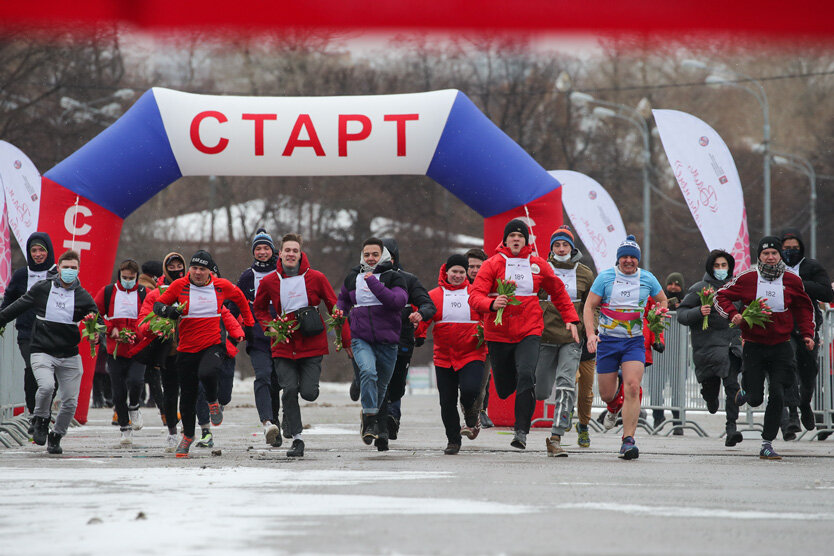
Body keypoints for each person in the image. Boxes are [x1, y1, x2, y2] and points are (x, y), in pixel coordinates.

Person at [469, 219, 579, 450]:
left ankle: (521, 432)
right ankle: (515, 383)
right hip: (498, 334)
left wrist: (570, 318)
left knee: (527, 375)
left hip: (529, 330)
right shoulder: (492, 264)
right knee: (504, 387)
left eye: (521, 236)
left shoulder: (538, 264)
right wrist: (491, 303)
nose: (516, 239)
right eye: (512, 236)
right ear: (506, 240)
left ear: (526, 240)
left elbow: (558, 291)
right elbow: (475, 296)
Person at [715, 236, 815, 460]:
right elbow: (720, 296)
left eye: (774, 253)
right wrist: (734, 314)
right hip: (754, 345)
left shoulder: (792, 280)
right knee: (755, 398)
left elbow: (803, 308)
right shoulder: (748, 277)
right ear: (759, 257)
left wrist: (808, 334)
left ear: (780, 256)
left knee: (778, 393)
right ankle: (746, 389)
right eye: (765, 254)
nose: (770, 257)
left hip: (781, 345)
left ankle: (767, 444)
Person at [254, 233, 347, 457]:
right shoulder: (270, 281)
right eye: (287, 250)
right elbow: (259, 308)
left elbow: (334, 306)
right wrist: (270, 327)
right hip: (283, 344)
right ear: (281, 253)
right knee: (289, 389)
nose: (291, 254)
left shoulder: (316, 278)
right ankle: (297, 439)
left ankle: (289, 416)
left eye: (295, 250)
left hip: (312, 343)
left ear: (300, 253)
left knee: (309, 393)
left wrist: (345, 339)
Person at [153, 250, 253, 458]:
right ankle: (188, 436)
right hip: (186, 349)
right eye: (195, 268)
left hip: (212, 345)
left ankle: (213, 401)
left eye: (203, 269)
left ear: (209, 271)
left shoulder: (221, 286)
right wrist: (169, 312)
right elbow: (157, 305)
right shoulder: (179, 286)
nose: (198, 273)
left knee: (208, 373)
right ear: (190, 268)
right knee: (187, 397)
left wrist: (249, 323)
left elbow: (241, 299)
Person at [0, 250, 97, 454]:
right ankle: (41, 419)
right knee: (46, 387)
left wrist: (97, 333)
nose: (69, 271)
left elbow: (97, 320)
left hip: (69, 354)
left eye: (73, 268)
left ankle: (57, 435)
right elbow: (18, 305)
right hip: (42, 350)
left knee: (70, 402)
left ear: (78, 270)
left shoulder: (82, 295)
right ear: (58, 268)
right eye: (66, 267)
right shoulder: (43, 288)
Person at [584, 235, 667, 460]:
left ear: (638, 260)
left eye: (632, 257)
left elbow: (663, 300)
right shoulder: (606, 277)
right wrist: (591, 335)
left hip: (634, 341)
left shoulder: (647, 278)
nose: (628, 261)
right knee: (607, 393)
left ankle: (628, 441)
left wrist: (657, 317)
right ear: (618, 259)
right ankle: (612, 408)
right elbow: (590, 306)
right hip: (608, 341)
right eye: (624, 257)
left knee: (632, 386)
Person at [337, 238, 408, 446]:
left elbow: (396, 302)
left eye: (375, 254)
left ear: (383, 255)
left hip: (388, 341)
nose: (370, 258)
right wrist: (340, 309)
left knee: (381, 386)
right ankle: (370, 420)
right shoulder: (353, 277)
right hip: (361, 339)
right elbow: (343, 298)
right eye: (366, 254)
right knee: (368, 372)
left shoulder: (394, 277)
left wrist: (373, 282)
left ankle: (368, 416)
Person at [416, 254, 488, 455]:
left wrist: (487, 333)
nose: (457, 275)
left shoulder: (475, 293)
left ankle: (471, 412)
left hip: (472, 353)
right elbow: (424, 315)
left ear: (466, 274)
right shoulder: (434, 295)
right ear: (446, 272)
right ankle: (453, 440)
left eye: (461, 272)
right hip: (444, 357)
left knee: (470, 390)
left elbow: (488, 316)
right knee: (446, 400)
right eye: (454, 271)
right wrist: (418, 333)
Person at [534, 225, 594, 456]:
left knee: (566, 384)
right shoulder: (540, 268)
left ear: (572, 247)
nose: (561, 249)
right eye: (557, 245)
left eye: (565, 244)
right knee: (541, 391)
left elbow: (592, 307)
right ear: (551, 248)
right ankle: (560, 416)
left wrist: (591, 331)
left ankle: (556, 435)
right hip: (545, 336)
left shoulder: (585, 273)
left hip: (571, 337)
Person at [676, 250, 746, 447]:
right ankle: (709, 397)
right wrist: (699, 311)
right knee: (711, 386)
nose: (721, 270)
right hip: (707, 347)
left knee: (732, 384)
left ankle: (731, 427)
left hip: (731, 345)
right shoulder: (700, 288)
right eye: (717, 266)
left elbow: (746, 310)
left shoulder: (737, 289)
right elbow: (682, 314)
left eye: (725, 266)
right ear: (710, 267)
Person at [377, 238, 436, 445]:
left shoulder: (408, 280)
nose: (382, 261)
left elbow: (428, 304)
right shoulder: (361, 277)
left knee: (396, 386)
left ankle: (391, 418)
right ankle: (382, 425)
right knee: (377, 380)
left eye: (388, 257)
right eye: (377, 256)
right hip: (372, 341)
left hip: (401, 341)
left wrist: (420, 313)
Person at [779, 228, 833, 439]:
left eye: (795, 248)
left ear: (801, 248)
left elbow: (827, 293)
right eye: (786, 248)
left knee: (808, 371)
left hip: (807, 326)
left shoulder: (811, 267)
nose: (790, 251)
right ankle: (792, 414)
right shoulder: (776, 268)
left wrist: (800, 284)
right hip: (783, 327)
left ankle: (804, 404)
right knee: (788, 365)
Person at [0, 232, 56, 428]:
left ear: (49, 251)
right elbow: (8, 301)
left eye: (42, 250)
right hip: (27, 333)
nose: (38, 254)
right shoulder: (22, 275)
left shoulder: (57, 274)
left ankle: (45, 415)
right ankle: (34, 413)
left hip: (52, 334)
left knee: (50, 378)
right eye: (34, 250)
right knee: (33, 370)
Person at [236, 228, 285, 447]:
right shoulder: (248, 276)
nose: (263, 252)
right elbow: (233, 301)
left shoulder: (283, 272)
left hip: (282, 336)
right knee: (263, 376)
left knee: (277, 382)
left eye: (266, 248)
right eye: (258, 249)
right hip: (257, 338)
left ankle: (275, 423)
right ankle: (267, 422)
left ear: (273, 250)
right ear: (253, 252)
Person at [135, 252, 186, 451]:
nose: (176, 270)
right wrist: (155, 326)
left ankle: (191, 429)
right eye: (171, 267)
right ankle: (173, 431)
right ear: (165, 269)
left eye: (179, 266)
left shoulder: (192, 288)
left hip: (192, 348)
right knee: (171, 393)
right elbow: (142, 323)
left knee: (190, 392)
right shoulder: (155, 294)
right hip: (168, 352)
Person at [94, 259, 148, 445]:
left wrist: (137, 333)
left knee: (136, 381)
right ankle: (125, 428)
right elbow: (95, 313)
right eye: (124, 277)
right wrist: (110, 329)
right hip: (115, 350)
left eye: (131, 278)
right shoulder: (108, 292)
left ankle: (135, 406)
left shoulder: (143, 293)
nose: (127, 281)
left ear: (137, 277)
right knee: (118, 391)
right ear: (119, 275)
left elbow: (150, 317)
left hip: (137, 348)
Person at [194, 262, 243, 449]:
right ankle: (206, 431)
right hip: (202, 352)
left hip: (225, 353)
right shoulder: (193, 297)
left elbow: (239, 322)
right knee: (200, 390)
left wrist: (232, 341)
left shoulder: (228, 295)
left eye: (213, 274)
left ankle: (218, 405)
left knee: (224, 395)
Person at [466, 248, 494, 429]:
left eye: (479, 266)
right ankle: (472, 413)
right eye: (471, 267)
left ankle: (479, 412)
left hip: (486, 338)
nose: (475, 270)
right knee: (467, 384)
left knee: (483, 380)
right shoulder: (459, 285)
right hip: (463, 340)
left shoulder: (492, 286)